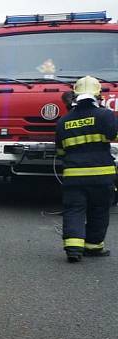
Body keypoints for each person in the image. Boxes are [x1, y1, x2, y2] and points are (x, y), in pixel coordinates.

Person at [55, 76, 118, 262]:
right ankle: (93, 246)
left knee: (74, 209)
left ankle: (73, 249)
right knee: (99, 210)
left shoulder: (63, 121)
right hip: (102, 175)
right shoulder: (105, 115)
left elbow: (60, 151)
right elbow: (113, 135)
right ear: (98, 95)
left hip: (73, 175)